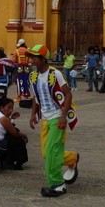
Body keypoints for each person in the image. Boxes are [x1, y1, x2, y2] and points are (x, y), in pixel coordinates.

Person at [28, 44, 80, 198]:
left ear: (43, 59)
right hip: (45, 119)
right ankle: (72, 158)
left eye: (35, 58)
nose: (32, 60)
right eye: (31, 57)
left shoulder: (55, 73)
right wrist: (33, 115)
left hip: (57, 117)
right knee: (46, 153)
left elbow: (68, 95)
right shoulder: (33, 76)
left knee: (52, 152)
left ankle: (58, 185)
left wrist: (63, 116)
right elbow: (36, 98)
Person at [13, 39, 31, 103]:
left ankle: (20, 95)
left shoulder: (17, 51)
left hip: (19, 67)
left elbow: (14, 60)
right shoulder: (27, 51)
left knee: (20, 80)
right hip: (26, 67)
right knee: (26, 80)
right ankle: (26, 94)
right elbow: (30, 61)